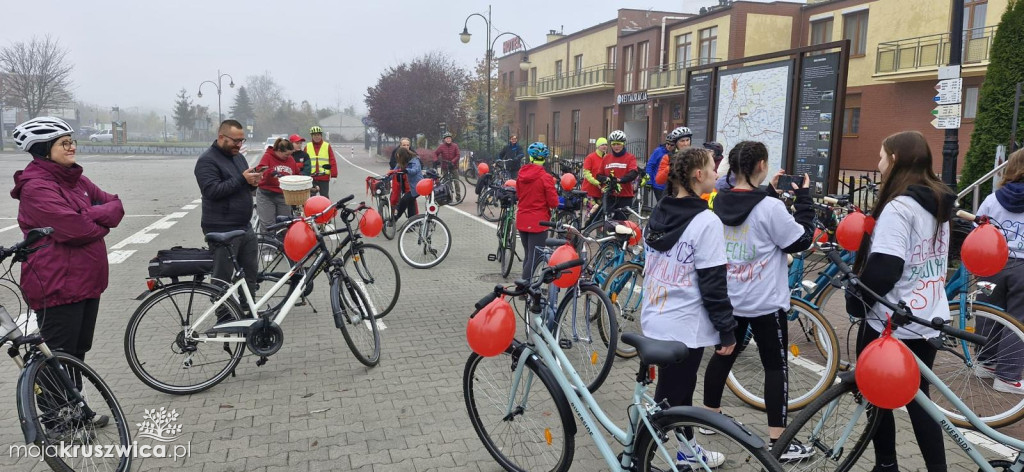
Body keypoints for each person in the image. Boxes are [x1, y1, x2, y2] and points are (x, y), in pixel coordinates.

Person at [846, 130, 955, 472]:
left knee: (876, 395)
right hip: (928, 316)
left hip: (892, 320)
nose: (878, 165)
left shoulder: (899, 207)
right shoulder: (938, 201)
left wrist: (855, 297)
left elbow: (885, 268)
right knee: (919, 399)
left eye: (881, 157)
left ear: (894, 160)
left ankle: (886, 464)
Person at [701, 140, 815, 461]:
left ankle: (710, 417)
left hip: (730, 300)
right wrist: (804, 200)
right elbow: (800, 239)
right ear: (761, 166)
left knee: (723, 356)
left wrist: (773, 193)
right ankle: (780, 443)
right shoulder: (769, 207)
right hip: (765, 302)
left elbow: (750, 213)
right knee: (775, 366)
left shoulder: (718, 201)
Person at [10, 116, 124, 382]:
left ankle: (78, 413)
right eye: (64, 143)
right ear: (43, 149)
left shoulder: (77, 180)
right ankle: (55, 421)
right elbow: (76, 229)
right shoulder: (36, 187)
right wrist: (97, 220)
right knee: (55, 357)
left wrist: (86, 215)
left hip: (86, 284)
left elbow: (116, 207)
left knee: (76, 355)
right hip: (58, 286)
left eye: (71, 141)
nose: (72, 147)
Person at [641, 146, 735, 467]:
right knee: (667, 401)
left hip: (656, 317)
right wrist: (726, 330)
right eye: (712, 168)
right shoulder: (706, 221)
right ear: (698, 175)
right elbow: (713, 282)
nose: (716, 174)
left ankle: (687, 451)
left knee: (681, 392)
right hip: (684, 326)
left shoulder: (659, 212)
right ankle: (638, 455)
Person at [195, 120, 263, 303]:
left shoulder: (238, 157)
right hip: (221, 229)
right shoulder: (206, 161)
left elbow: (239, 186)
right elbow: (212, 191)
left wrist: (252, 184)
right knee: (222, 278)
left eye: (242, 140)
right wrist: (242, 180)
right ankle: (223, 318)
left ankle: (248, 312)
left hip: (243, 226)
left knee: (250, 274)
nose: (239, 145)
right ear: (221, 137)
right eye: (235, 140)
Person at [976, 148, 1024, 395]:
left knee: (989, 312)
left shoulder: (993, 199)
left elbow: (977, 223)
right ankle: (1007, 376)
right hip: (1022, 269)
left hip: (992, 265)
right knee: (1018, 320)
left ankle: (985, 362)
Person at [515, 142, 559, 280]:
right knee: (536, 257)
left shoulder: (521, 174)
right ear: (544, 159)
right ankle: (524, 288)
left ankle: (526, 289)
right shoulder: (545, 177)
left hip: (522, 219)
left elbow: (518, 194)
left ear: (530, 157)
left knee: (529, 255)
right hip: (538, 222)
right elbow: (553, 202)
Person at [255, 138, 302, 231]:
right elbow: (261, 169)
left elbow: (297, 173)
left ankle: (281, 245)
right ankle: (267, 245)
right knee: (268, 225)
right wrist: (272, 172)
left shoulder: (290, 159)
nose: (288, 157)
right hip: (266, 195)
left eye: (290, 154)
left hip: (283, 196)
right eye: (286, 154)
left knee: (284, 224)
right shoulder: (268, 156)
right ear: (279, 151)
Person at [597, 130, 639, 221]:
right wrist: (607, 179)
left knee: (622, 224)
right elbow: (599, 175)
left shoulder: (630, 157)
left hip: (625, 196)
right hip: (610, 195)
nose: (616, 146)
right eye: (613, 144)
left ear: (623, 144)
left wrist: (620, 180)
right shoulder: (606, 158)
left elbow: (633, 173)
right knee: (608, 222)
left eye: (618, 144)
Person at [646, 127, 689, 200]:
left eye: (671, 145)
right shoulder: (659, 152)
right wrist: (649, 181)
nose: (669, 146)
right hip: (659, 186)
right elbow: (650, 165)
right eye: (667, 144)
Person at [393, 147, 424, 222]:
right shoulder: (402, 162)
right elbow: (394, 170)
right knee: (411, 204)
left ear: (403, 155)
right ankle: (412, 223)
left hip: (417, 186)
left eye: (399, 157)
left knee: (404, 200)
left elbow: (415, 170)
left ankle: (396, 217)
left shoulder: (415, 160)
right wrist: (387, 176)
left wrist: (406, 170)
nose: (399, 159)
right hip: (409, 187)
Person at [306, 125, 337, 198]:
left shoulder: (327, 146)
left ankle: (327, 209)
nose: (317, 137)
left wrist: (334, 175)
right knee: (310, 198)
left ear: (321, 135)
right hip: (311, 178)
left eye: (318, 135)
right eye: (314, 135)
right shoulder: (307, 146)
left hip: (324, 177)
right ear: (311, 136)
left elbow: (332, 160)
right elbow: (305, 162)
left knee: (325, 197)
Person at [581, 137, 609, 216]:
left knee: (600, 214)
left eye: (606, 145)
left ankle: (599, 228)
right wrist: (595, 182)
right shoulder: (590, 157)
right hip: (589, 191)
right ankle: (587, 227)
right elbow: (586, 172)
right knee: (592, 211)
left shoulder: (607, 158)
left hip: (601, 192)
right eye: (602, 145)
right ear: (598, 146)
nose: (604, 146)